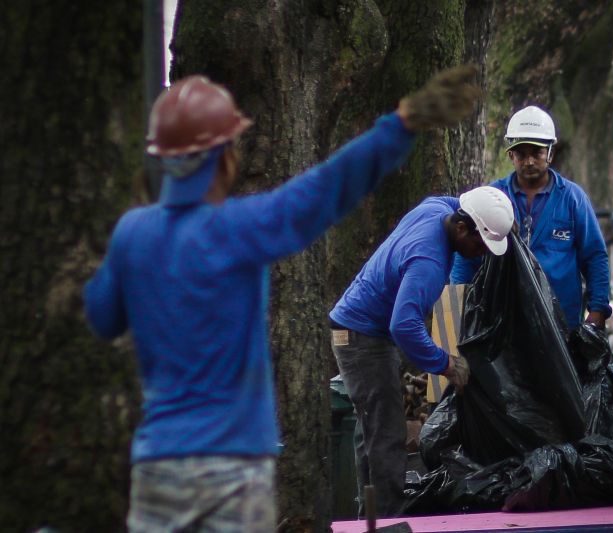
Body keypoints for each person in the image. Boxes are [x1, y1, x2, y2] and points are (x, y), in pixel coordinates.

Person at [83, 67, 480, 532]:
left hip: (157, 462)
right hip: (233, 464)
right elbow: (324, 191)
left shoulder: (133, 234)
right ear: (225, 154)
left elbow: (102, 316)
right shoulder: (238, 227)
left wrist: (126, 242)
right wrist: (400, 124)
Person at [329, 186, 514, 517]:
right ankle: (386, 521)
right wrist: (446, 364)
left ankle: (368, 516)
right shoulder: (428, 262)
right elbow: (405, 327)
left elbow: (452, 202)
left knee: (372, 428)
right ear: (461, 228)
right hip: (362, 338)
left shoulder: (435, 210)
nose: (482, 252)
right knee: (386, 435)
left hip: (357, 327)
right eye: (480, 243)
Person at [450, 105, 611, 331]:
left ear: (550, 153)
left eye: (536, 153)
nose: (529, 161)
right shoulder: (492, 197)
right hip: (503, 326)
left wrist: (598, 310)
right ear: (510, 155)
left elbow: (594, 256)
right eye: (521, 154)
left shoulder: (573, 199)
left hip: (561, 326)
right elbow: (466, 259)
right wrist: (456, 316)